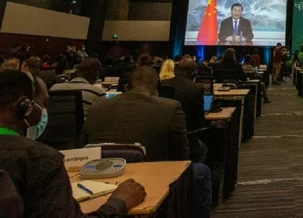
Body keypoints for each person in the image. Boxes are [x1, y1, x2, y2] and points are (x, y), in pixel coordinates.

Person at [0, 69, 147, 218]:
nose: (45, 111)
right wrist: (119, 202)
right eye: (44, 103)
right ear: (24, 107)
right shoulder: (40, 160)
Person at [83, 67, 212, 218]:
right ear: (157, 86)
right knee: (202, 171)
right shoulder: (170, 107)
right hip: (154, 180)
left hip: (99, 183)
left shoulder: (96, 108)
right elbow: (182, 159)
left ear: (126, 86)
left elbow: (84, 150)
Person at [161, 57, 207, 161]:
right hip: (186, 138)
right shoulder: (195, 89)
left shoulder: (162, 84)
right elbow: (200, 123)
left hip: (162, 138)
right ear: (194, 74)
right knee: (204, 148)